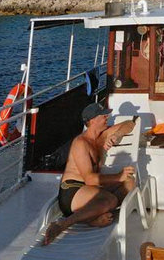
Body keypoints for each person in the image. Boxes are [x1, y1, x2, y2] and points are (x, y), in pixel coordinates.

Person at [43, 103, 136, 245]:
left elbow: (130, 123)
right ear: (92, 121)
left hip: (89, 190)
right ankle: (64, 224)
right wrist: (118, 177)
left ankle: (94, 217)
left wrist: (117, 135)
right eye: (103, 115)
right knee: (110, 200)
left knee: (129, 183)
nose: (107, 117)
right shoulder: (81, 143)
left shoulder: (103, 136)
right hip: (72, 192)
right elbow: (90, 179)